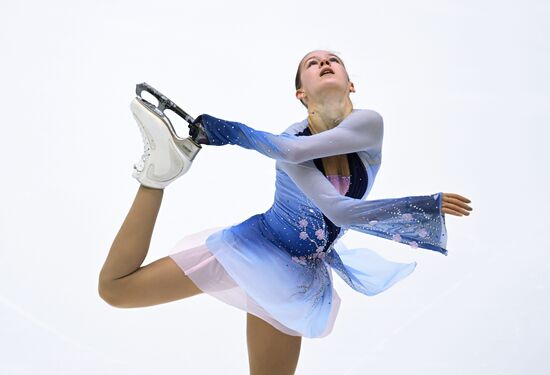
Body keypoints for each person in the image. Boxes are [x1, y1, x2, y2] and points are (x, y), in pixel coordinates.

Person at [98, 50, 472, 375]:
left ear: (351, 85)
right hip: (254, 247)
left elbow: (339, 209)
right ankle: (157, 174)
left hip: (295, 277)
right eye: (313, 63)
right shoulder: (289, 145)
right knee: (116, 289)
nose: (324, 62)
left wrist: (233, 132)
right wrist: (426, 207)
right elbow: (335, 206)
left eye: (333, 60)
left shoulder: (369, 124)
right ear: (301, 93)